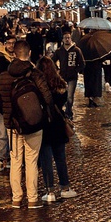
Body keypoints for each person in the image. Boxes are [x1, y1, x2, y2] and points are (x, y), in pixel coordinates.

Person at [0, 40, 53, 210]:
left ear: (13, 54)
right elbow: (48, 97)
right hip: (33, 123)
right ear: (28, 54)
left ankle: (16, 198)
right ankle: (33, 198)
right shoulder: (36, 74)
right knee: (31, 160)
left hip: (12, 126)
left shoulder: (3, 76)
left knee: (15, 161)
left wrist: (9, 115)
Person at [36, 56, 76, 202]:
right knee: (60, 158)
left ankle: (50, 190)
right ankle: (65, 187)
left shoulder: (38, 86)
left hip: (44, 124)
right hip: (58, 124)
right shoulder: (60, 85)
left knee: (46, 159)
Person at [0, 36, 16, 172]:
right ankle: (1, 158)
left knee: (13, 131)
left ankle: (13, 157)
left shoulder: (18, 59)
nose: (11, 45)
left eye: (14, 43)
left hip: (14, 100)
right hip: (1, 100)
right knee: (1, 132)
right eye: (9, 43)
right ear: (5, 44)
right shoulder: (0, 60)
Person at [53, 31, 85, 119]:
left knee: (70, 97)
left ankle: (68, 113)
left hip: (72, 77)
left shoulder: (76, 50)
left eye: (68, 37)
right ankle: (63, 112)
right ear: (63, 39)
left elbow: (82, 63)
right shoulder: (59, 51)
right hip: (62, 77)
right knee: (63, 96)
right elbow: (52, 61)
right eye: (65, 38)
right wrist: (57, 70)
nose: (67, 39)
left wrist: (76, 70)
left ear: (71, 38)